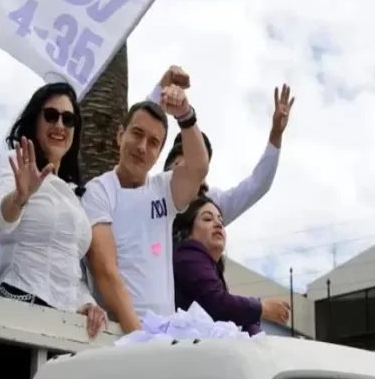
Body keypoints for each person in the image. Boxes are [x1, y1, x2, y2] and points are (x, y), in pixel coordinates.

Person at [0, 82, 107, 379]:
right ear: (34, 120)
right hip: (19, 317)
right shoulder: (14, 163)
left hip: (63, 330)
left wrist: (88, 303)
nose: (60, 125)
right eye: (51, 115)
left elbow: (69, 266)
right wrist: (19, 197)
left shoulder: (72, 192)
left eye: (69, 119)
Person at [83, 67, 209, 333]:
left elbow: (198, 168)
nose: (142, 147)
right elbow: (105, 269)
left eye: (153, 142)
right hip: (119, 334)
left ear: (159, 153)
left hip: (166, 333)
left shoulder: (163, 188)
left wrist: (185, 114)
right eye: (137, 134)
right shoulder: (99, 191)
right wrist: (138, 337)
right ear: (120, 135)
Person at [160, 82, 296, 226]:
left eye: (199, 166)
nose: (189, 170)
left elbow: (257, 184)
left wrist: (276, 135)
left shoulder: (214, 202)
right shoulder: (154, 197)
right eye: (179, 164)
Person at [172, 196, 291, 334]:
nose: (218, 224)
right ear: (188, 233)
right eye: (207, 219)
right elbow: (219, 305)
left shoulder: (207, 267)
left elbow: (230, 317)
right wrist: (261, 308)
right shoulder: (188, 256)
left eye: (221, 222)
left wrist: (255, 331)